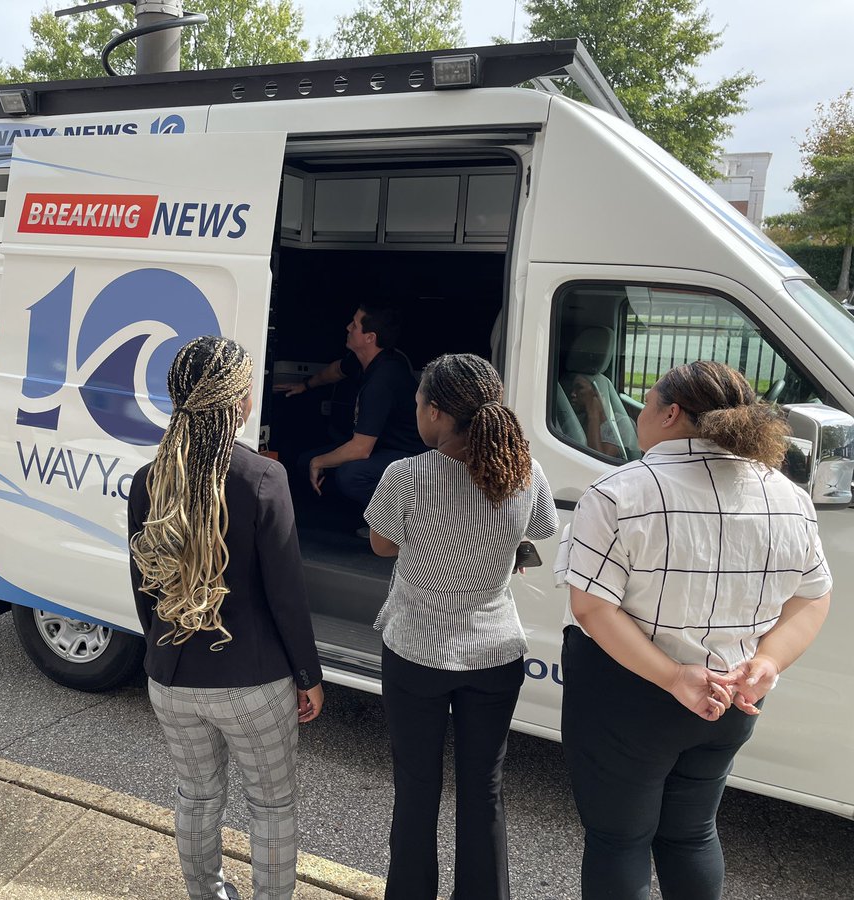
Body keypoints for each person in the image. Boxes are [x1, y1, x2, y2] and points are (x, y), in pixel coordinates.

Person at [555, 360, 832, 900]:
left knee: (619, 840)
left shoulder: (619, 492)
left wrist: (674, 676)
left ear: (671, 412)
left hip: (628, 695)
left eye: (648, 401)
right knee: (692, 833)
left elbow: (592, 609)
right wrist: (767, 662)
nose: (639, 413)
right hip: (732, 697)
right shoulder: (786, 496)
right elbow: (813, 597)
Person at [128, 335, 325, 900]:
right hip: (254, 681)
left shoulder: (150, 480)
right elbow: (287, 594)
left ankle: (206, 894)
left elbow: (145, 589)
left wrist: (160, 654)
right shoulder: (263, 478)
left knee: (195, 798)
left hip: (171, 676)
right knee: (272, 807)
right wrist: (308, 676)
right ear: (237, 401)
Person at [364, 353, 559, 900]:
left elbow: (382, 545)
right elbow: (540, 527)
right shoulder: (526, 472)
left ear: (440, 415)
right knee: (484, 790)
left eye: (421, 403)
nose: (417, 410)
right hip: (496, 652)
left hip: (417, 649)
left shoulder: (405, 475)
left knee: (417, 788)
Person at [277, 304, 425, 516]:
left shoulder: (382, 381)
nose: (347, 328)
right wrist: (305, 385)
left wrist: (318, 462)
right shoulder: (363, 360)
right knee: (304, 462)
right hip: (381, 448)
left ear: (369, 337)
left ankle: (396, 526)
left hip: (408, 455)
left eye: (354, 325)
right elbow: (335, 371)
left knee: (350, 475)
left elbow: (360, 449)